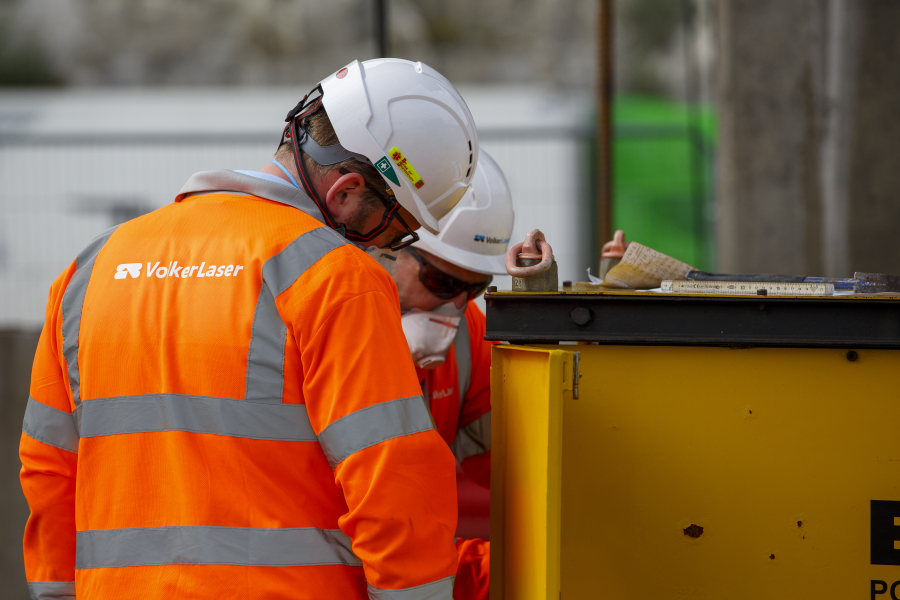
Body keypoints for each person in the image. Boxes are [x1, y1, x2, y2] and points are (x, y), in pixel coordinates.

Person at [19, 58, 479, 600]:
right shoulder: (335, 277)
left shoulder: (89, 269)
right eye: (392, 228)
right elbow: (392, 480)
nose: (381, 245)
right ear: (347, 192)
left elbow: (50, 471)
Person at [372, 151, 514, 600]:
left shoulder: (469, 336)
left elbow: (523, 471)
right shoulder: (318, 328)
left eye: (475, 288)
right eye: (443, 283)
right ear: (382, 250)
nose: (456, 305)